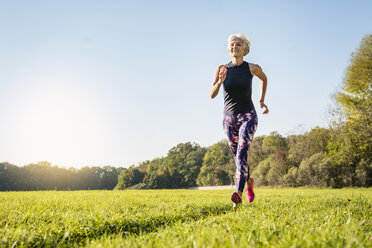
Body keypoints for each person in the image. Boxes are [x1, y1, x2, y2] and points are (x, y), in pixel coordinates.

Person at [210, 33, 269, 209]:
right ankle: (249, 182)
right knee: (238, 158)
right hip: (228, 119)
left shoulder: (252, 68)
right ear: (229, 49)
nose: (235, 47)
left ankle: (238, 195)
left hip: (248, 116)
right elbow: (212, 94)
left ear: (245, 49)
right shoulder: (221, 68)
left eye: (239, 45)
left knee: (242, 153)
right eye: (232, 45)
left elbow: (264, 79)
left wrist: (261, 100)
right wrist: (220, 82)